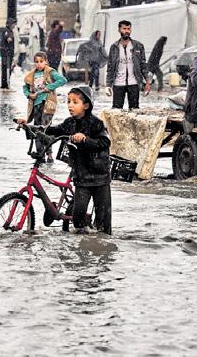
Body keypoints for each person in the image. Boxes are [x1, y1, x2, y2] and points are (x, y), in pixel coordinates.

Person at [19, 86, 111, 234]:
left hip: (100, 176)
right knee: (78, 216)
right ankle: (82, 244)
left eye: (75, 102)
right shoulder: (69, 123)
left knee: (103, 222)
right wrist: (28, 127)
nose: (70, 105)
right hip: (81, 176)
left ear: (86, 106)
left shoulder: (96, 123)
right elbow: (49, 130)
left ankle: (102, 246)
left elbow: (105, 143)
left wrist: (85, 139)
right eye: (68, 101)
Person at [23, 51, 67, 161]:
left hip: (47, 105)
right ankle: (39, 153)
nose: (39, 64)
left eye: (41, 61)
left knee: (46, 129)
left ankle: (49, 153)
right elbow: (25, 87)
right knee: (37, 129)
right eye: (36, 62)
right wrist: (29, 95)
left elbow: (63, 80)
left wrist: (50, 87)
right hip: (36, 105)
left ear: (46, 61)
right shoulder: (31, 75)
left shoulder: (50, 72)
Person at [105, 20, 151, 109]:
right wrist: (108, 85)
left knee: (134, 111)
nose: (126, 31)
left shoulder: (138, 46)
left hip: (134, 83)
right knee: (116, 111)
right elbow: (110, 67)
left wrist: (148, 82)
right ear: (119, 30)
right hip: (118, 83)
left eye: (128, 29)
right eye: (124, 28)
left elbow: (143, 65)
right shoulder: (114, 47)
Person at [0, 20, 18, 90]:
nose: (14, 25)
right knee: (7, 69)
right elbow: (8, 39)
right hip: (7, 53)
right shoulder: (7, 31)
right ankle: (6, 84)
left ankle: (4, 84)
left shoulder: (7, 31)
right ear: (10, 24)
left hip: (6, 53)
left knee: (5, 69)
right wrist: (8, 38)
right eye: (13, 24)